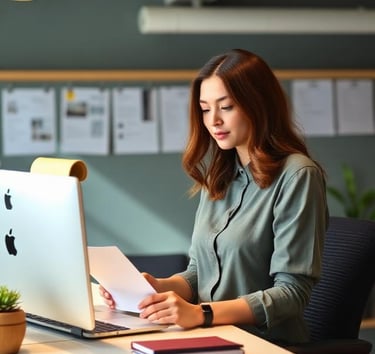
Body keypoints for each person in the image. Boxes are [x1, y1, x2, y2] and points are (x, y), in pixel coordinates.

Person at [100, 48, 329, 346]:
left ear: (259, 104)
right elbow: (200, 273)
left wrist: (201, 314)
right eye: (205, 109)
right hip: (211, 336)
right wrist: (158, 288)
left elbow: (291, 293)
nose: (214, 120)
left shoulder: (298, 176)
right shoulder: (220, 177)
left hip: (265, 344)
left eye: (227, 106)